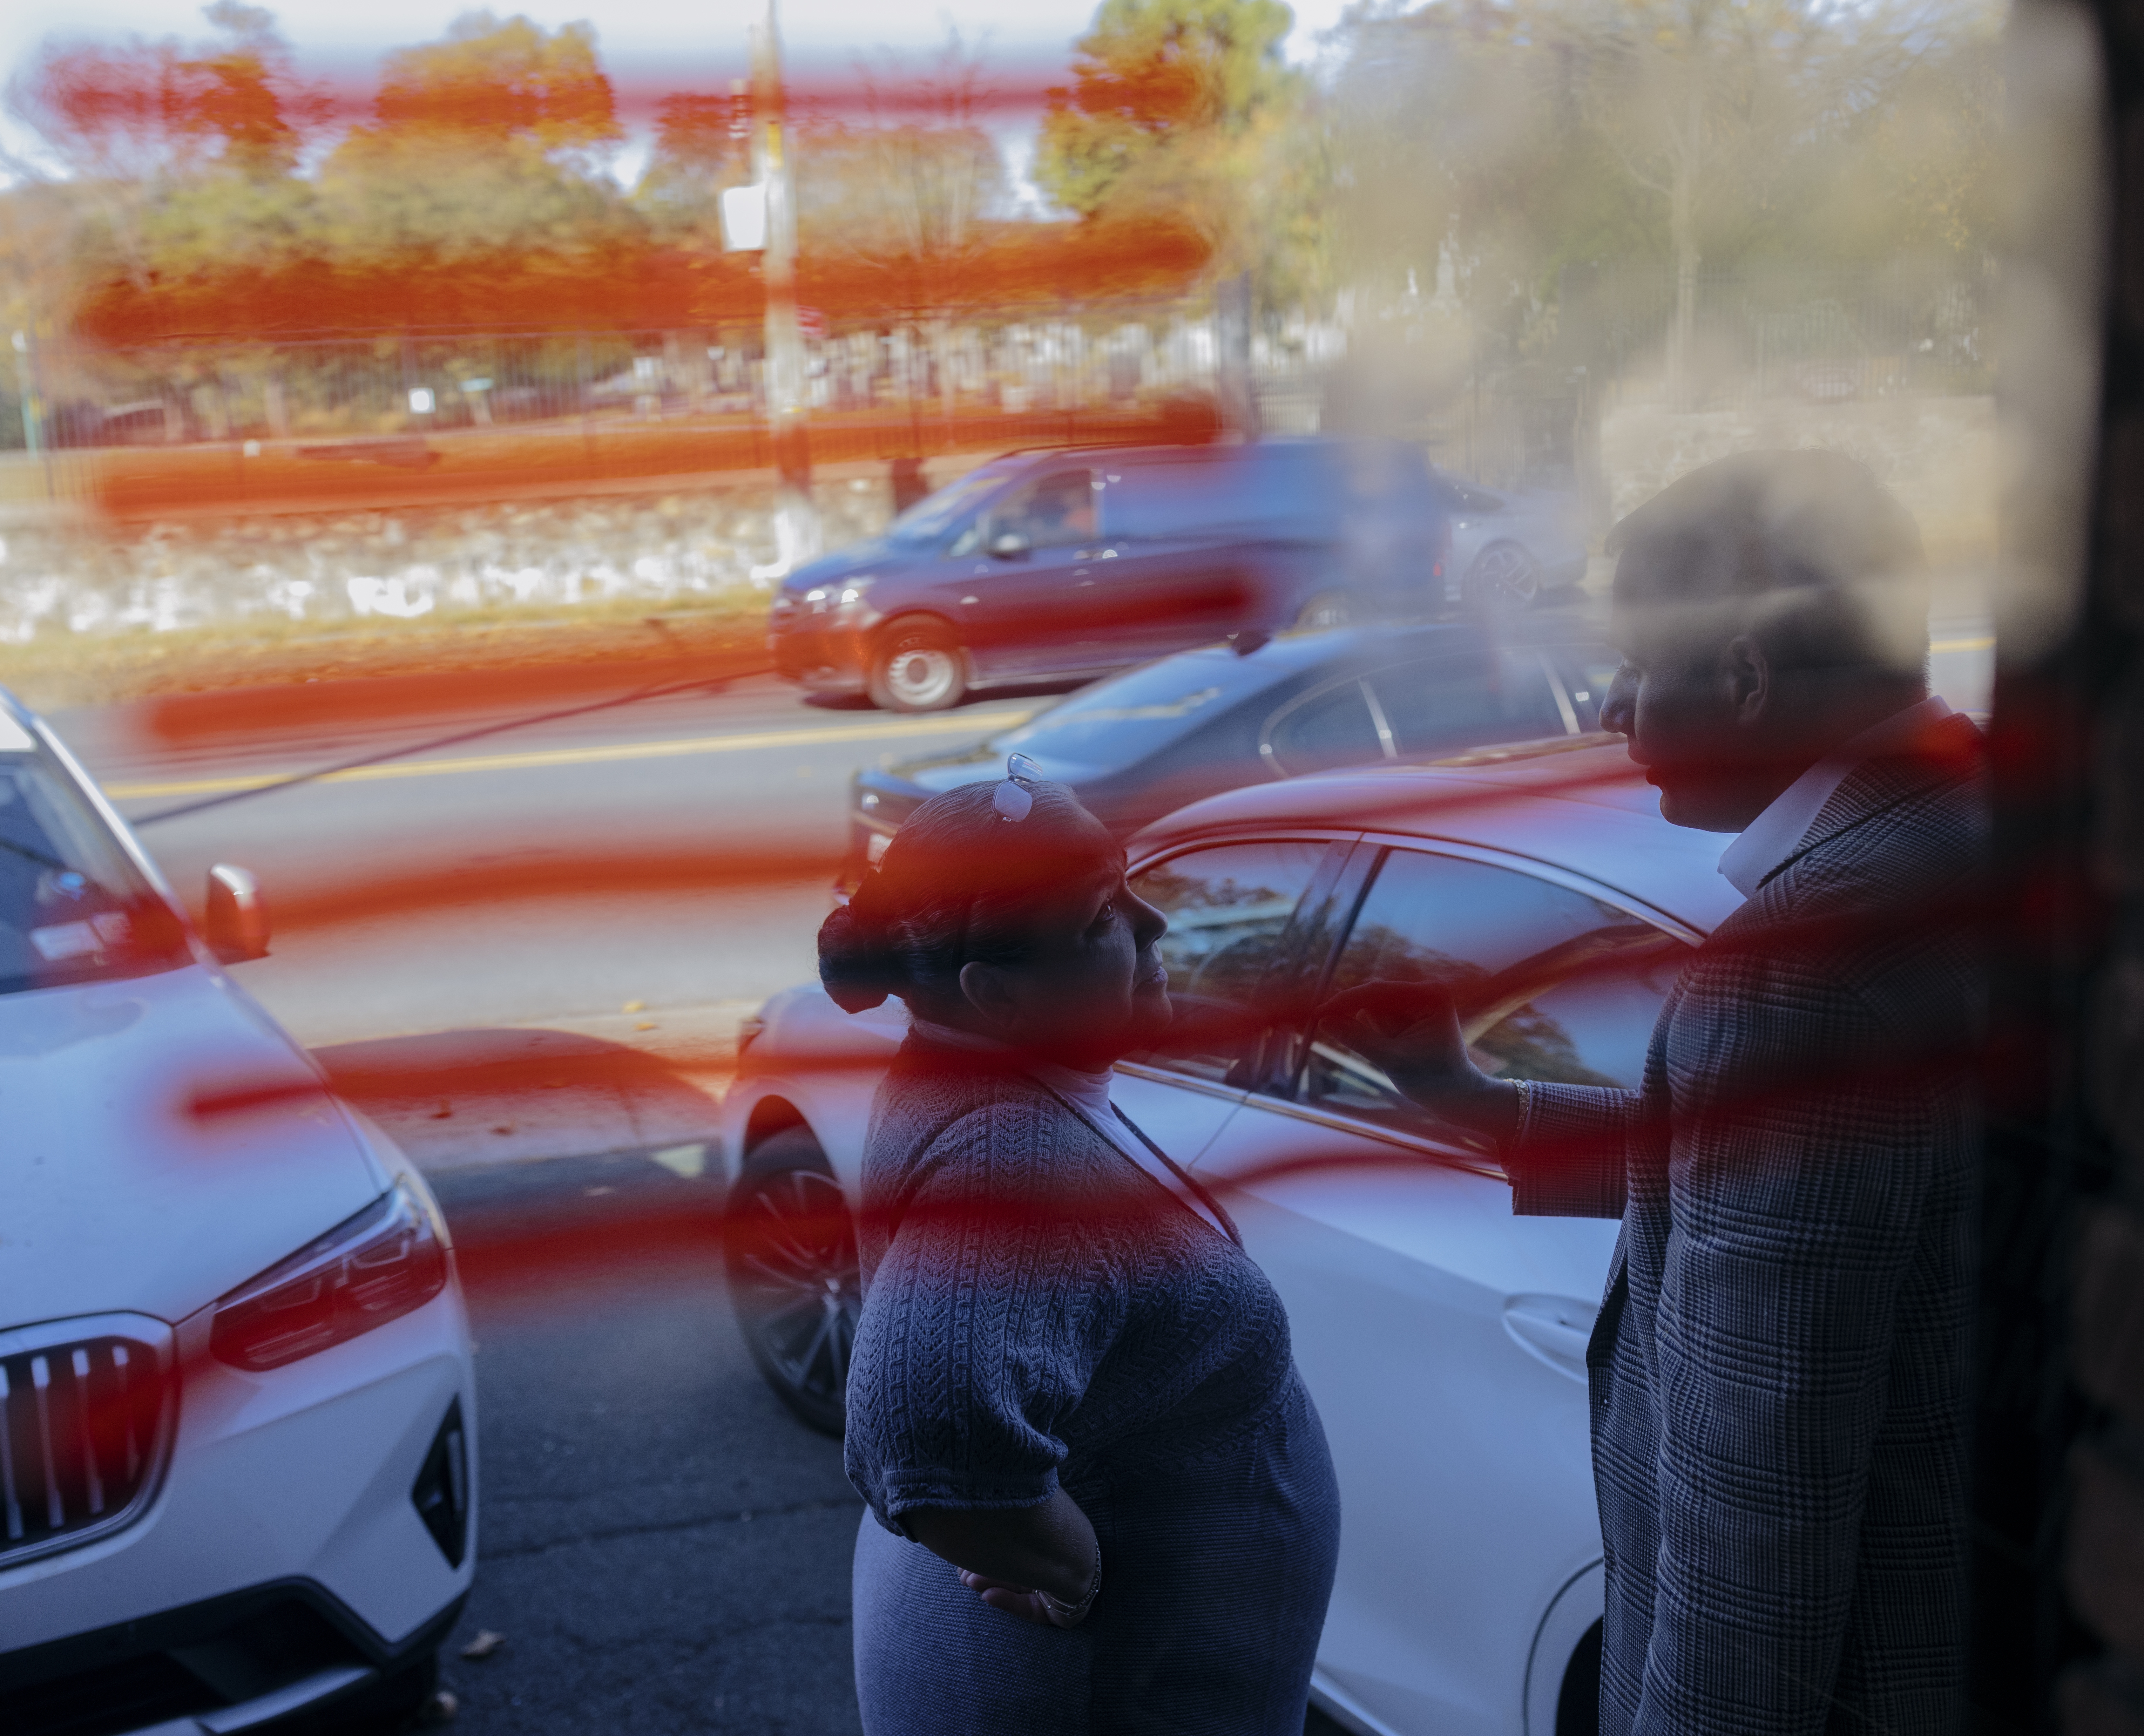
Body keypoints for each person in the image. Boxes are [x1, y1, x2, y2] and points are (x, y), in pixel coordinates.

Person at [1331, 450, 1983, 1732]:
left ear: (1743, 678)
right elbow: (1833, 1189)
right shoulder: (1990, 832)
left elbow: (1756, 1530)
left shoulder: (1798, 973)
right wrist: (1473, 1102)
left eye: (1637, 663)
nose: (1612, 705)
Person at [819, 762, 1340, 1736]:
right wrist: (1074, 1575)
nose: (1156, 923)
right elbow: (920, 1432)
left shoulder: (992, 1085)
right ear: (996, 994)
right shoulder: (1012, 1160)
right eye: (1104, 915)